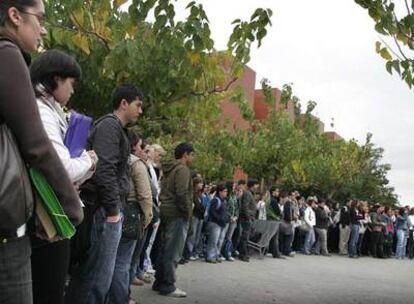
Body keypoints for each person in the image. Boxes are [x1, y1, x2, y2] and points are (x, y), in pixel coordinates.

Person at [0, 1, 82, 303]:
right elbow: (36, 144)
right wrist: (71, 206)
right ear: (14, 15)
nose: (43, 28)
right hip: (7, 226)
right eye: (40, 18)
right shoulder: (7, 54)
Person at [30, 49, 97, 304]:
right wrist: (89, 161)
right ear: (56, 79)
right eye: (71, 83)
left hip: (50, 212)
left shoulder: (50, 110)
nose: (72, 90)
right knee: (49, 289)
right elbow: (63, 169)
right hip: (48, 215)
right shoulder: (42, 111)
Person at [65, 84, 143, 304]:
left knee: (95, 277)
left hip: (106, 210)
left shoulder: (116, 129)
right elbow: (105, 169)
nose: (140, 111)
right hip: (104, 211)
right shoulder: (110, 126)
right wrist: (113, 211)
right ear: (124, 103)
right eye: (138, 105)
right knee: (96, 279)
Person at [108, 132, 153, 304]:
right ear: (134, 146)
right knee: (123, 262)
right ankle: (120, 298)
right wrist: (148, 216)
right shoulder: (137, 164)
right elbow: (145, 194)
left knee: (111, 261)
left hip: (115, 209)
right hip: (132, 213)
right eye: (142, 146)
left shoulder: (116, 158)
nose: (143, 150)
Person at [152, 143, 194, 298]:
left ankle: (159, 281)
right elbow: (182, 193)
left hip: (166, 211)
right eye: (192, 155)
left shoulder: (170, 169)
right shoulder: (183, 170)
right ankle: (168, 285)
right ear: (185, 155)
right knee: (173, 251)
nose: (192, 158)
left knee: (164, 248)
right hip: (177, 213)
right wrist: (187, 212)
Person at [205, 183, 229, 263]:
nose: (226, 193)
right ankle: (210, 256)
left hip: (222, 224)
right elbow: (212, 212)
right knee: (213, 241)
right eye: (225, 191)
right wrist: (220, 219)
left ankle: (216, 255)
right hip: (215, 224)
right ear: (220, 192)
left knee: (219, 241)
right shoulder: (216, 200)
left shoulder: (224, 201)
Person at [238, 179, 259, 262]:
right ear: (253, 185)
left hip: (249, 218)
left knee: (246, 237)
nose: (257, 187)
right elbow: (245, 207)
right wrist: (248, 217)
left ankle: (243, 253)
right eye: (256, 185)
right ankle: (243, 254)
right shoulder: (247, 193)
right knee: (245, 237)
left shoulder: (250, 193)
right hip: (246, 219)